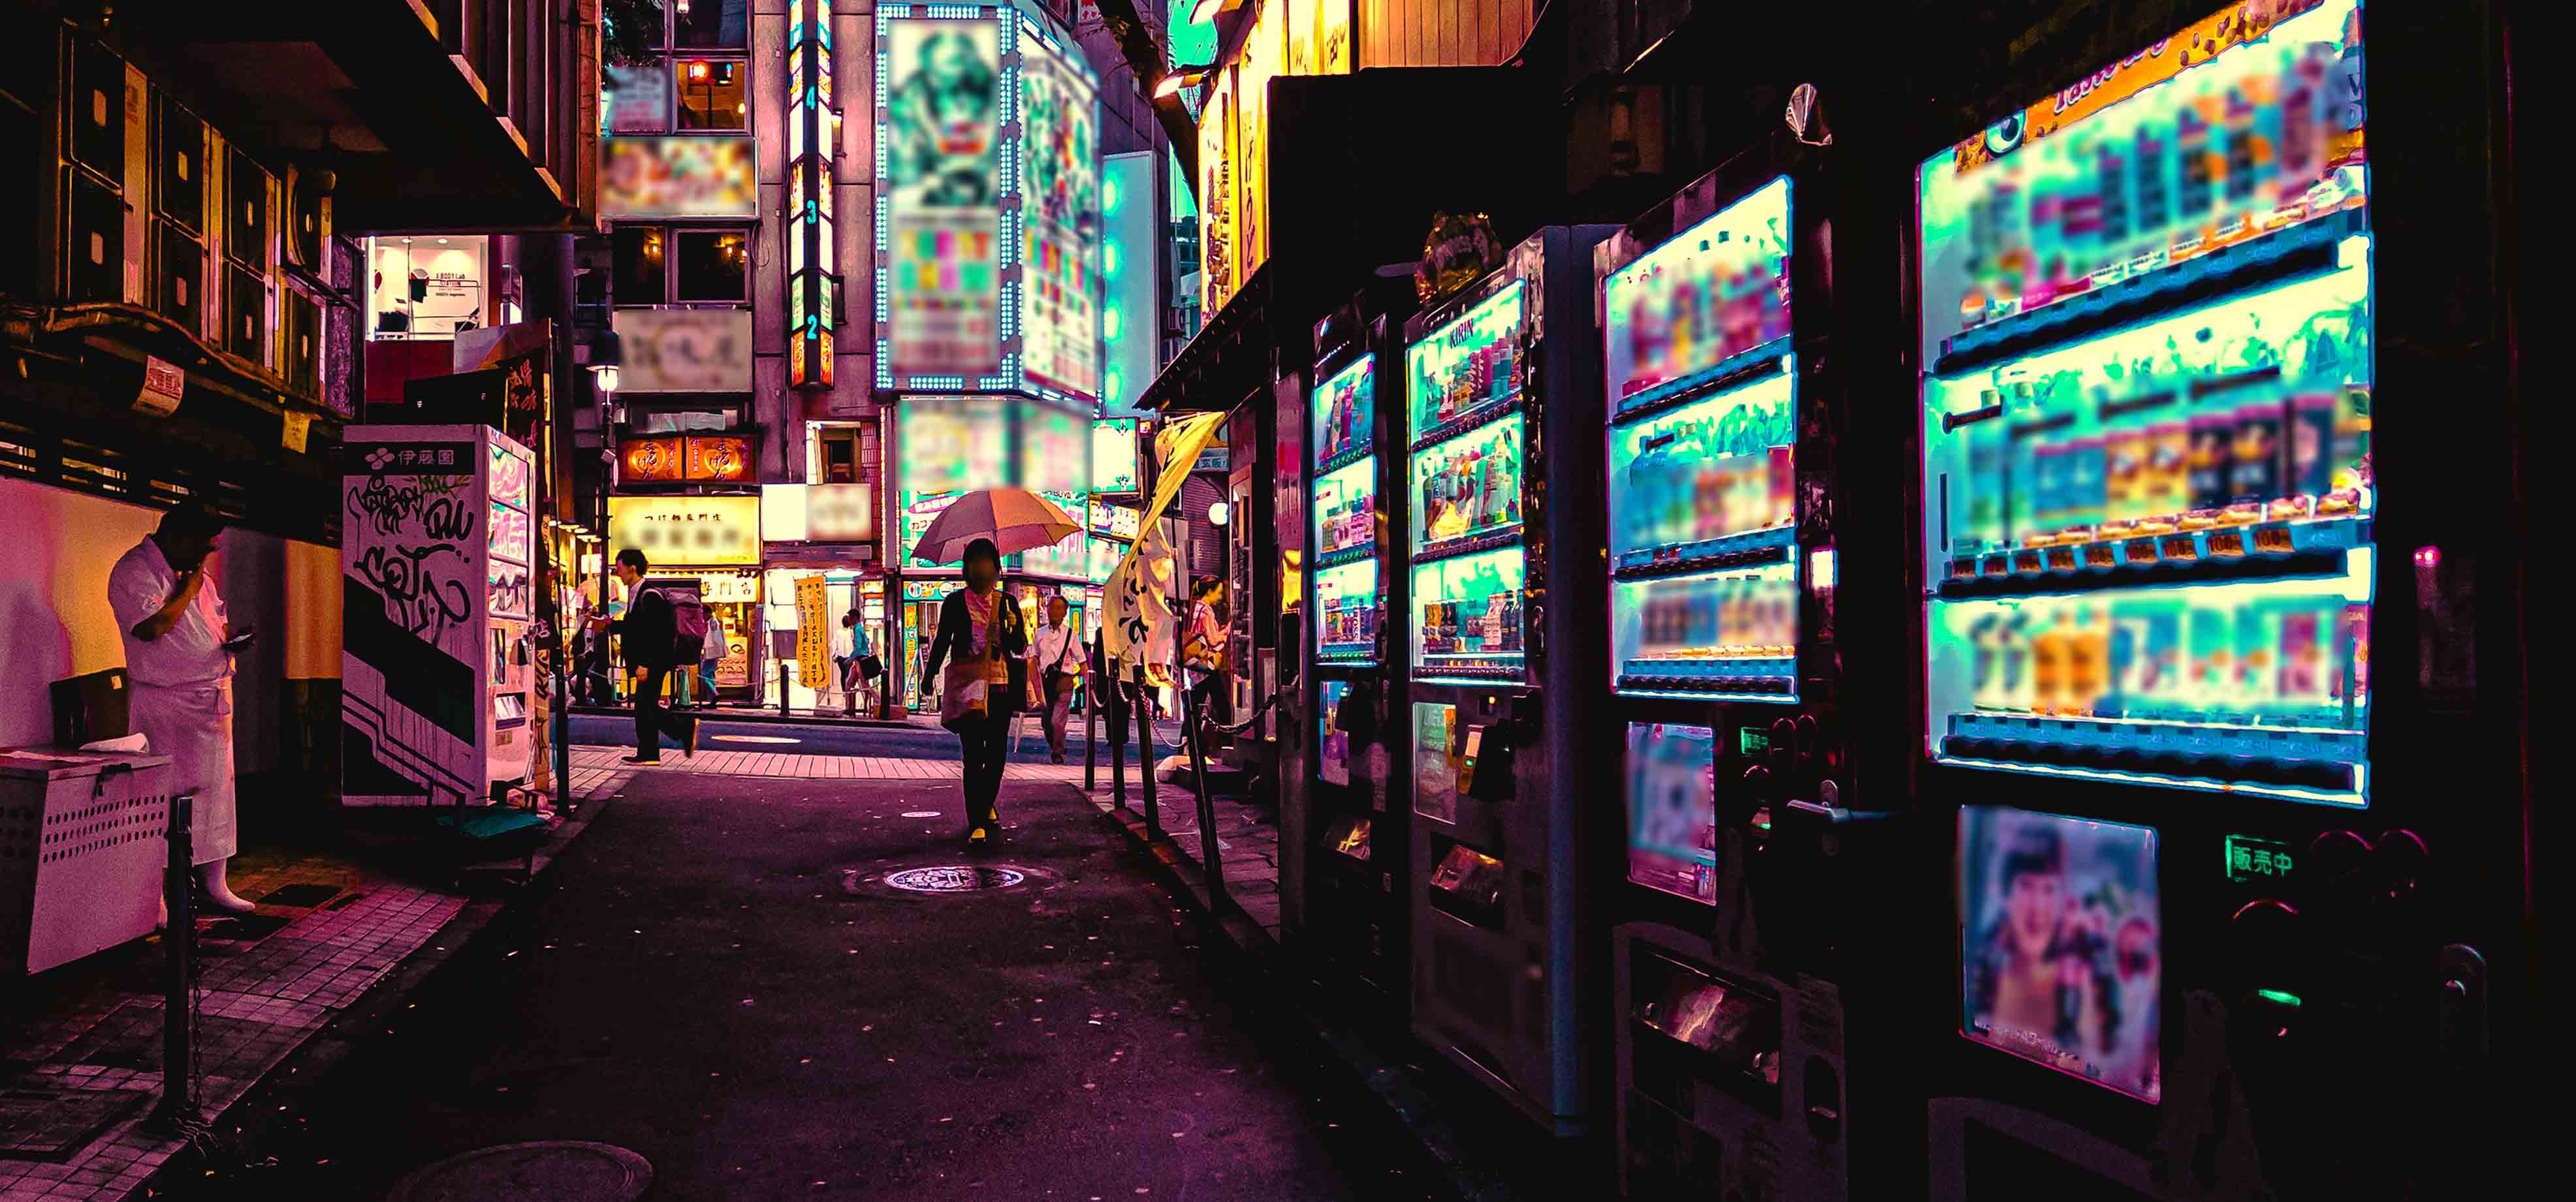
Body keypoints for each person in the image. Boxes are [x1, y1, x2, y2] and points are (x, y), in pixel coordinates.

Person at [110, 504, 257, 913]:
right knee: (160, 799)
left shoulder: (197, 576)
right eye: (203, 548)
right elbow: (150, 627)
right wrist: (188, 590)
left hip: (209, 696)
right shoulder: (134, 570)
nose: (205, 558)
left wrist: (229, 641)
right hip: (165, 704)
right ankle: (152, 899)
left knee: (216, 794)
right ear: (177, 537)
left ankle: (213, 884)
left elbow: (212, 625)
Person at [920, 539, 1027, 848]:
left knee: (995, 756)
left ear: (996, 568)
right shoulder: (954, 603)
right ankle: (977, 820)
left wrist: (1012, 628)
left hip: (1000, 688)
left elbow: (1020, 646)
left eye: (986, 563)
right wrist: (929, 677)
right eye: (974, 563)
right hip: (969, 689)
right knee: (973, 756)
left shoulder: (1008, 602)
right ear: (967, 569)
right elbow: (942, 642)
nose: (981, 569)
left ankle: (985, 803)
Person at [595, 548, 696, 765]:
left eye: (619, 567)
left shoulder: (649, 595)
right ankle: (650, 753)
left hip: (652, 662)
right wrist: (611, 625)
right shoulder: (636, 594)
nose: (617, 572)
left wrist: (645, 663)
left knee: (645, 706)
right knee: (645, 707)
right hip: (649, 662)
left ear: (632, 568)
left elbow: (657, 634)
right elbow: (636, 629)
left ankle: (683, 728)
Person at [1032, 595, 1082, 763]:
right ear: (1047, 610)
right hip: (1046, 683)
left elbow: (1082, 661)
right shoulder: (1039, 634)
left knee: (1057, 722)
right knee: (1047, 723)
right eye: (1052, 607)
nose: (1055, 611)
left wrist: (1083, 680)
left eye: (1059, 608)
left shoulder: (1071, 635)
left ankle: (1058, 753)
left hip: (1064, 681)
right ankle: (1057, 743)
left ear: (1065, 613)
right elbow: (1035, 658)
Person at [1181, 575, 1230, 714]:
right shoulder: (1206, 611)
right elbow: (1214, 641)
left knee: (1196, 707)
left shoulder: (1195, 607)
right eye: (1219, 592)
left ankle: (1188, 735)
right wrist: (1227, 630)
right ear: (1209, 592)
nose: (1220, 597)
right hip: (1206, 665)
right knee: (1223, 708)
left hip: (1195, 663)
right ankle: (1227, 734)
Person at [697, 609, 729, 708]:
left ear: (708, 613)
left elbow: (715, 638)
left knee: (704, 674)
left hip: (712, 652)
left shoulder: (713, 622)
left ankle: (715, 693)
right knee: (710, 675)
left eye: (703, 614)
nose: (703, 616)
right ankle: (712, 701)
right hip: (713, 652)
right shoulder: (714, 622)